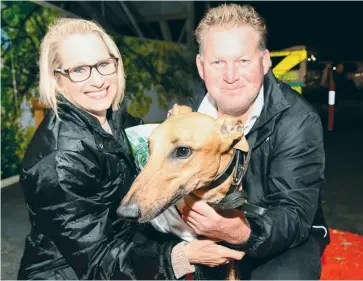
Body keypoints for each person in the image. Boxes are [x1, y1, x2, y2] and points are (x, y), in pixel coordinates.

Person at [17, 18, 244, 280]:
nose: (97, 80)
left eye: (103, 65)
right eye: (79, 70)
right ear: (57, 79)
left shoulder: (115, 120)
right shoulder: (58, 160)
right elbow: (97, 262)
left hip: (128, 248)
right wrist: (183, 256)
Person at [181, 3, 330, 280]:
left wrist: (241, 232)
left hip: (284, 234)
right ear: (201, 67)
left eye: (243, 61)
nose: (230, 76)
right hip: (207, 230)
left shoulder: (298, 120)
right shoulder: (187, 117)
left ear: (265, 61)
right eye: (217, 62)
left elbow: (294, 215)